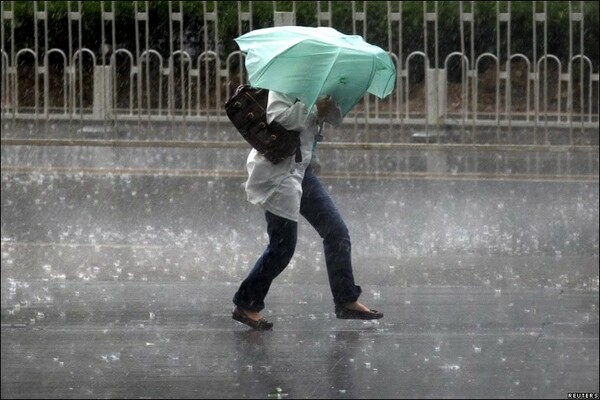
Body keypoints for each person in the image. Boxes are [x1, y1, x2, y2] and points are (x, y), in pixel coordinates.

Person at [232, 90, 383, 330]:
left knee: (336, 232)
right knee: (282, 247)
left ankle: (346, 300)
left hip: (302, 171)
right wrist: (313, 109)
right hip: (278, 172)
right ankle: (246, 303)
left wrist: (329, 106)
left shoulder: (317, 82)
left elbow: (331, 119)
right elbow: (276, 116)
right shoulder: (284, 81)